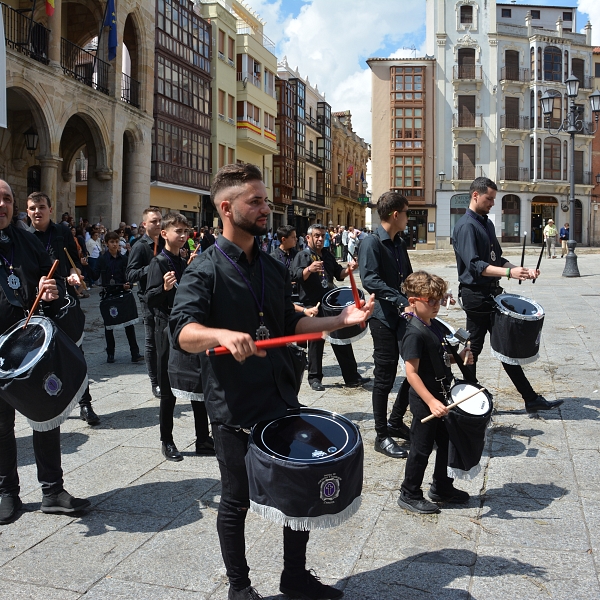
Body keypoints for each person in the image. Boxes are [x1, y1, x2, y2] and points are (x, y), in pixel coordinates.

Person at [169, 163, 373, 600]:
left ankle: (294, 577)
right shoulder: (204, 267)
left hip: (280, 394)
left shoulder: (273, 265)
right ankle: (239, 588)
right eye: (255, 201)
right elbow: (182, 331)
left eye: (265, 200)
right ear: (226, 207)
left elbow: (287, 323)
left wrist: (340, 319)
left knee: (296, 489)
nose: (266, 208)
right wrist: (220, 334)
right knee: (236, 499)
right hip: (234, 405)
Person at [0, 180, 90, 525]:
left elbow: (44, 272)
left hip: (32, 343)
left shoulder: (25, 238)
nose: (3, 204)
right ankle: (7, 492)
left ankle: (53, 490)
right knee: (1, 426)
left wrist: (47, 288)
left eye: (7, 198)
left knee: (45, 415)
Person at [452, 177, 563, 413]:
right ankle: (467, 398)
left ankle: (530, 398)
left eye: (494, 198)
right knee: (473, 349)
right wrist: (509, 273)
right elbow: (475, 265)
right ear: (475, 195)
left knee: (505, 346)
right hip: (475, 295)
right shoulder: (465, 226)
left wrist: (520, 271)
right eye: (489, 198)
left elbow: (497, 260)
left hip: (491, 294)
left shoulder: (486, 224)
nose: (493, 203)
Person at [397, 272, 472, 514]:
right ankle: (409, 493)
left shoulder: (434, 326)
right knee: (421, 448)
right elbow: (412, 373)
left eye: (438, 300)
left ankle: (441, 486)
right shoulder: (414, 333)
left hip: (442, 397)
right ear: (413, 301)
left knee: (447, 442)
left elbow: (438, 359)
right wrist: (430, 402)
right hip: (425, 401)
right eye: (430, 300)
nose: (436, 305)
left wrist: (457, 357)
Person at [26, 192, 99, 425]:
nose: (37, 211)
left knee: (76, 351)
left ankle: (85, 404)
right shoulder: (23, 237)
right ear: (27, 212)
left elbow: (73, 261)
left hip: (64, 297)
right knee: (43, 358)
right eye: (32, 208)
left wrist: (73, 273)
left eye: (41, 207)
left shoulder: (62, 232)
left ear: (49, 209)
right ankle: (51, 404)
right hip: (37, 300)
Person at [145, 213, 214, 462]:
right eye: (178, 231)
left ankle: (203, 438)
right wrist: (162, 289)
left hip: (186, 327)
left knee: (195, 382)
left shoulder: (181, 259)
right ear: (164, 233)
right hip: (165, 331)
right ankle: (168, 440)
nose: (184, 236)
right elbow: (149, 299)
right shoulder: (159, 262)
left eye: (186, 231)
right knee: (168, 389)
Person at [358, 191, 414, 459]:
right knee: (385, 376)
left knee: (418, 365)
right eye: (406, 212)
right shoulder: (371, 243)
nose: (408, 217)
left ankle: (396, 419)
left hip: (403, 315)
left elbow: (410, 277)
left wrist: (430, 293)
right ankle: (382, 435)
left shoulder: (399, 243)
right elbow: (370, 279)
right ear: (395, 214)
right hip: (383, 318)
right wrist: (401, 299)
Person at [292, 224, 370, 391]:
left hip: (330, 303)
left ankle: (351, 376)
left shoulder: (327, 255)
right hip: (312, 305)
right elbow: (296, 276)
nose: (320, 239)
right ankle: (314, 378)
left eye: (322, 236)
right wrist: (308, 269)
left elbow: (338, 273)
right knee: (315, 342)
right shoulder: (303, 255)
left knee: (341, 338)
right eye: (317, 236)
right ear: (308, 238)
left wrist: (349, 269)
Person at [126, 207, 164, 398]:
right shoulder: (140, 246)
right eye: (153, 221)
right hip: (148, 298)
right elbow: (130, 274)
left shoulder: (166, 242)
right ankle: (155, 382)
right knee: (151, 342)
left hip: (167, 296)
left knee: (167, 339)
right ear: (144, 224)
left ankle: (167, 377)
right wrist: (152, 267)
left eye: (159, 220)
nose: (157, 224)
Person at [98, 232, 144, 364]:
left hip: (123, 294)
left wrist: (128, 284)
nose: (115, 244)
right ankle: (110, 353)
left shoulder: (124, 259)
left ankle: (134, 353)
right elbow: (94, 275)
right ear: (106, 243)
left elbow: (129, 276)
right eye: (112, 242)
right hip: (109, 295)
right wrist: (84, 267)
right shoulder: (102, 259)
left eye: (117, 242)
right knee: (109, 326)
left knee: (129, 325)